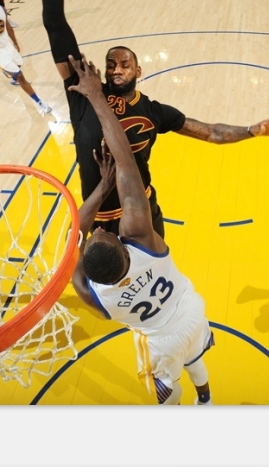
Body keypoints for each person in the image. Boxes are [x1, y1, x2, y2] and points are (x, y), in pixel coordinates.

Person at [41, 0, 269, 236]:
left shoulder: (153, 111)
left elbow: (211, 132)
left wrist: (252, 130)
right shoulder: (84, 92)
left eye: (125, 65)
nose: (117, 69)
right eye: (111, 65)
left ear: (138, 71)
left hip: (143, 214)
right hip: (100, 218)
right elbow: (55, 23)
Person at [69, 54, 215, 406]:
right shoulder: (149, 246)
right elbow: (125, 164)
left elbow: (72, 237)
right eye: (104, 233)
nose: (101, 230)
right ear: (125, 248)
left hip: (163, 340)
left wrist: (99, 189)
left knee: (166, 390)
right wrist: (97, 97)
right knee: (194, 356)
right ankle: (206, 400)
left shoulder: (94, 296)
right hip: (191, 310)